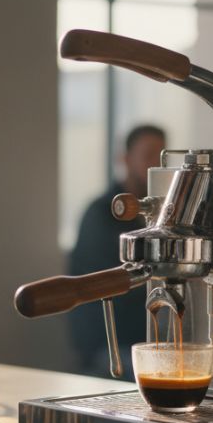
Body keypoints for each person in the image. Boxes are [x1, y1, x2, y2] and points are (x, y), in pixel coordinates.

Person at [68, 124, 167, 377]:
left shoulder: (162, 216)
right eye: (148, 156)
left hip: (146, 339)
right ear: (124, 159)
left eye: (161, 157)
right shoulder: (99, 213)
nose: (155, 165)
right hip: (109, 344)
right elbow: (113, 283)